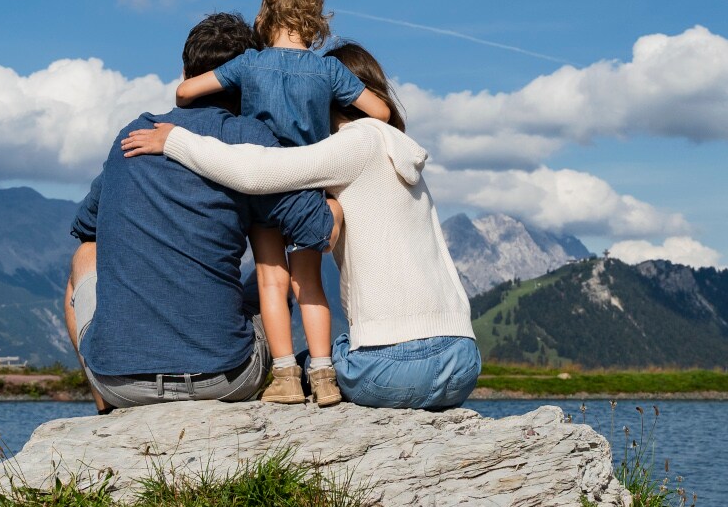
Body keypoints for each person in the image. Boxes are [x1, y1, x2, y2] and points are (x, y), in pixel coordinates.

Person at [124, 41, 481, 411]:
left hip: (390, 367)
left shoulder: (355, 144)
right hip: (463, 361)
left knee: (312, 360)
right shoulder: (404, 154)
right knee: (323, 351)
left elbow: (255, 172)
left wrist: (174, 140)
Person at [65, 12, 335, 412]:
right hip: (226, 378)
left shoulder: (134, 135)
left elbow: (86, 227)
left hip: (121, 382)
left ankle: (104, 405)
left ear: (187, 73)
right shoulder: (249, 138)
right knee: (271, 260)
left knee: (85, 255)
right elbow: (317, 231)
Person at [173, 0, 391, 408]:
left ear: (265, 16)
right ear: (315, 23)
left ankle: (286, 377)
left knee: (271, 281)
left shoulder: (248, 64)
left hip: (262, 184)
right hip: (307, 186)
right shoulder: (328, 69)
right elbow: (381, 112)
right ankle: (325, 377)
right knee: (308, 283)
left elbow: (184, 92)